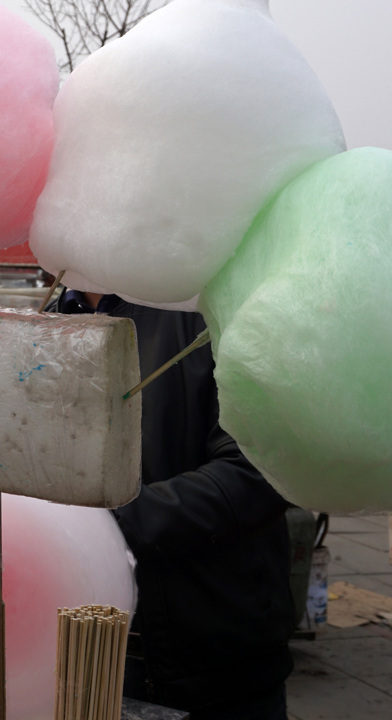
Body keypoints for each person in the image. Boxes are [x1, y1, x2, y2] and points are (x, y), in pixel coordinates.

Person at [53, 289, 294, 719]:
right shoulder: (51, 320)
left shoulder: (208, 310)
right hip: (88, 654)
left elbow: (259, 471)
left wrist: (102, 527)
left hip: (213, 653)